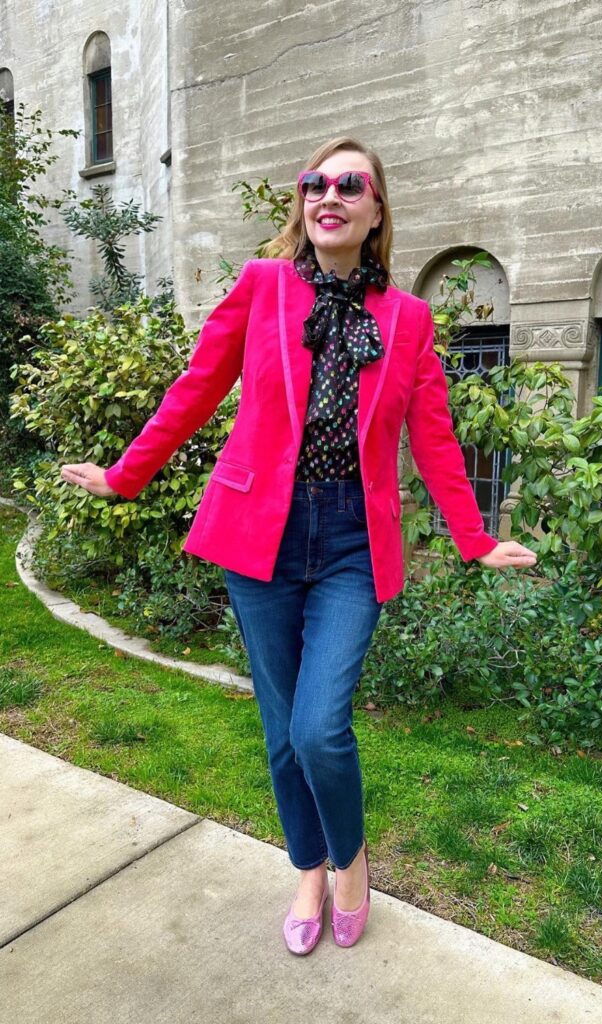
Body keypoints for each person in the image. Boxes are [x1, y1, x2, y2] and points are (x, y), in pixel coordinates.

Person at [61, 135, 537, 955]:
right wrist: (126, 475)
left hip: (353, 538)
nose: (330, 195)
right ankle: (308, 868)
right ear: (302, 202)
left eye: (351, 185)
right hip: (260, 538)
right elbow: (196, 386)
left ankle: (349, 864)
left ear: (376, 209)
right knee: (282, 730)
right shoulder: (263, 287)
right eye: (316, 182)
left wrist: (471, 537)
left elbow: (432, 437)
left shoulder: (409, 319)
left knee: (320, 726)